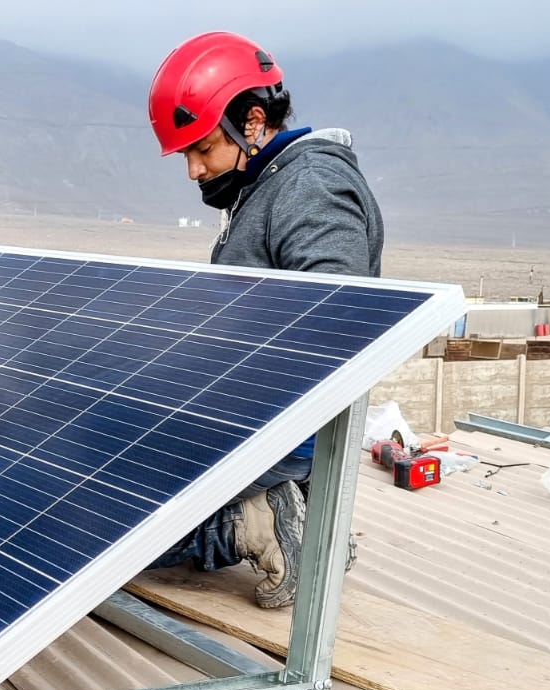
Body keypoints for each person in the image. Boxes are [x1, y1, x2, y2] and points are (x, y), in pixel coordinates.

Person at [141, 31, 384, 608]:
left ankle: (263, 522)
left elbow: (338, 317)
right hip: (245, 421)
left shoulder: (311, 186)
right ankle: (290, 512)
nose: (193, 171)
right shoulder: (267, 187)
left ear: (252, 122)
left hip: (276, 433)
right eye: (185, 156)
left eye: (202, 149)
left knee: (91, 529)